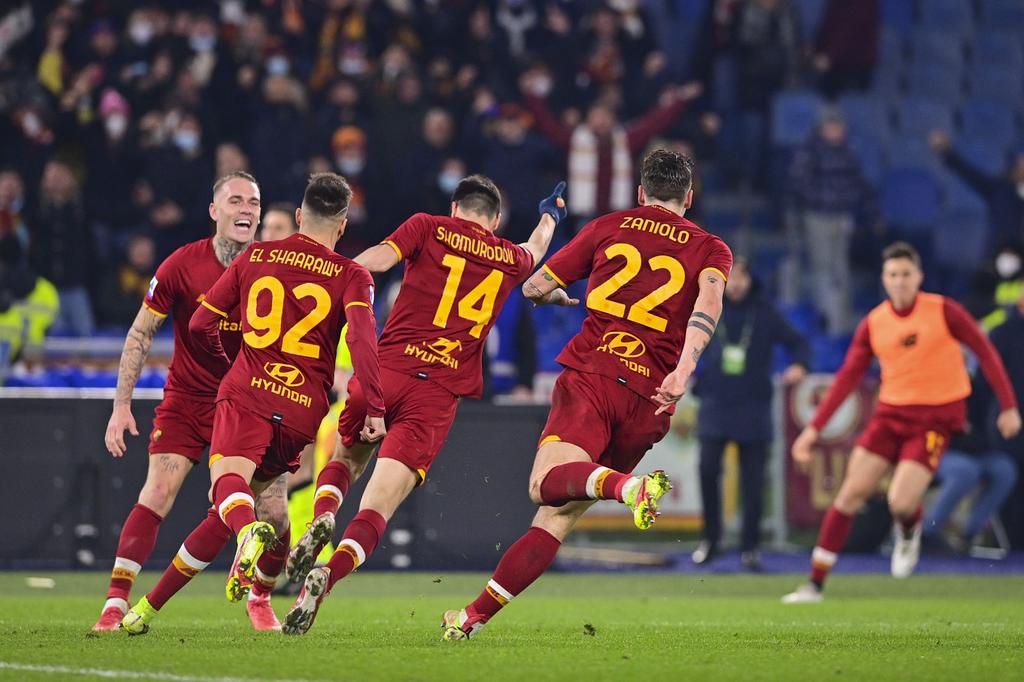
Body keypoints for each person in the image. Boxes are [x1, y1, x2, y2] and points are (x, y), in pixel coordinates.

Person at [440, 149, 733, 640]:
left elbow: (533, 286)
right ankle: (472, 617)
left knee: (544, 485)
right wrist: (684, 369)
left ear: (640, 193)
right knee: (557, 515)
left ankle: (628, 490)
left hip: (595, 374)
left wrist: (551, 292)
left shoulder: (608, 226)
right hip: (651, 397)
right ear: (689, 197)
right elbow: (709, 302)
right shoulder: (712, 248)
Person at [281, 175, 568, 636]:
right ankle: (326, 577)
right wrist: (551, 214)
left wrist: (329, 272)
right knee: (377, 507)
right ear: (494, 221)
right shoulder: (508, 256)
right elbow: (537, 247)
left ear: (455, 208)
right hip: (435, 393)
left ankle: (322, 517)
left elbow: (376, 259)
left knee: (345, 457)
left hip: (386, 371)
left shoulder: (427, 227)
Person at [120, 172, 385, 635]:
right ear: (342, 226)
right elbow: (363, 343)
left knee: (227, 493)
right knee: (255, 504)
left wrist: (236, 363)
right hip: (304, 405)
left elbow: (202, 323)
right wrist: (375, 407)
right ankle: (147, 610)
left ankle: (247, 535)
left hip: (250, 391)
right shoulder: (354, 275)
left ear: (299, 216)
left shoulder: (258, 255)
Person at [783, 242, 1021, 604]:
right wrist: (812, 432)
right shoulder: (875, 323)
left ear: (919, 277)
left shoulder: (944, 311)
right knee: (849, 494)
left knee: (899, 502)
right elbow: (847, 377)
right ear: (884, 278)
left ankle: (909, 532)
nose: (899, 281)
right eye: (893, 275)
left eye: (906, 274)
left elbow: (986, 353)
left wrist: (1008, 407)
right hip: (890, 416)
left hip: (933, 421)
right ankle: (814, 584)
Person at [92, 171, 270, 632]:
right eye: (236, 201)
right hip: (190, 400)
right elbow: (140, 332)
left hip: (249, 403)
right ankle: (115, 603)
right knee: (157, 491)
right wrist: (120, 405)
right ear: (215, 211)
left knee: (272, 512)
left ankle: (260, 598)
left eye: (253, 202)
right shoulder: (181, 266)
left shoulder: (273, 269)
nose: (247, 209)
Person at [692, 257, 810, 570]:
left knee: (754, 482)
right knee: (706, 471)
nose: (736, 283)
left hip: (754, 407)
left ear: (749, 278)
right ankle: (710, 540)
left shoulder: (764, 312)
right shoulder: (707, 305)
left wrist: (799, 365)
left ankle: (750, 547)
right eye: (730, 277)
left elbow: (798, 343)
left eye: (741, 275)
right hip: (715, 404)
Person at [786, 107, 878, 334]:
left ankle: (841, 319)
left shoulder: (848, 151)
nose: (837, 131)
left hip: (843, 215)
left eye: (839, 126)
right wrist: (821, 200)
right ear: (823, 128)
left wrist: (857, 205)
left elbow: (859, 182)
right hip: (818, 216)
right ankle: (824, 317)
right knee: (823, 268)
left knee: (841, 268)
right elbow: (799, 181)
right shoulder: (810, 151)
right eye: (832, 126)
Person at [922, 376, 1018, 553]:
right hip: (937, 452)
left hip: (974, 452)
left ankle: (969, 533)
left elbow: (982, 429)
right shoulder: (933, 387)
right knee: (965, 471)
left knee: (1004, 470)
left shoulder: (976, 388)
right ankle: (928, 532)